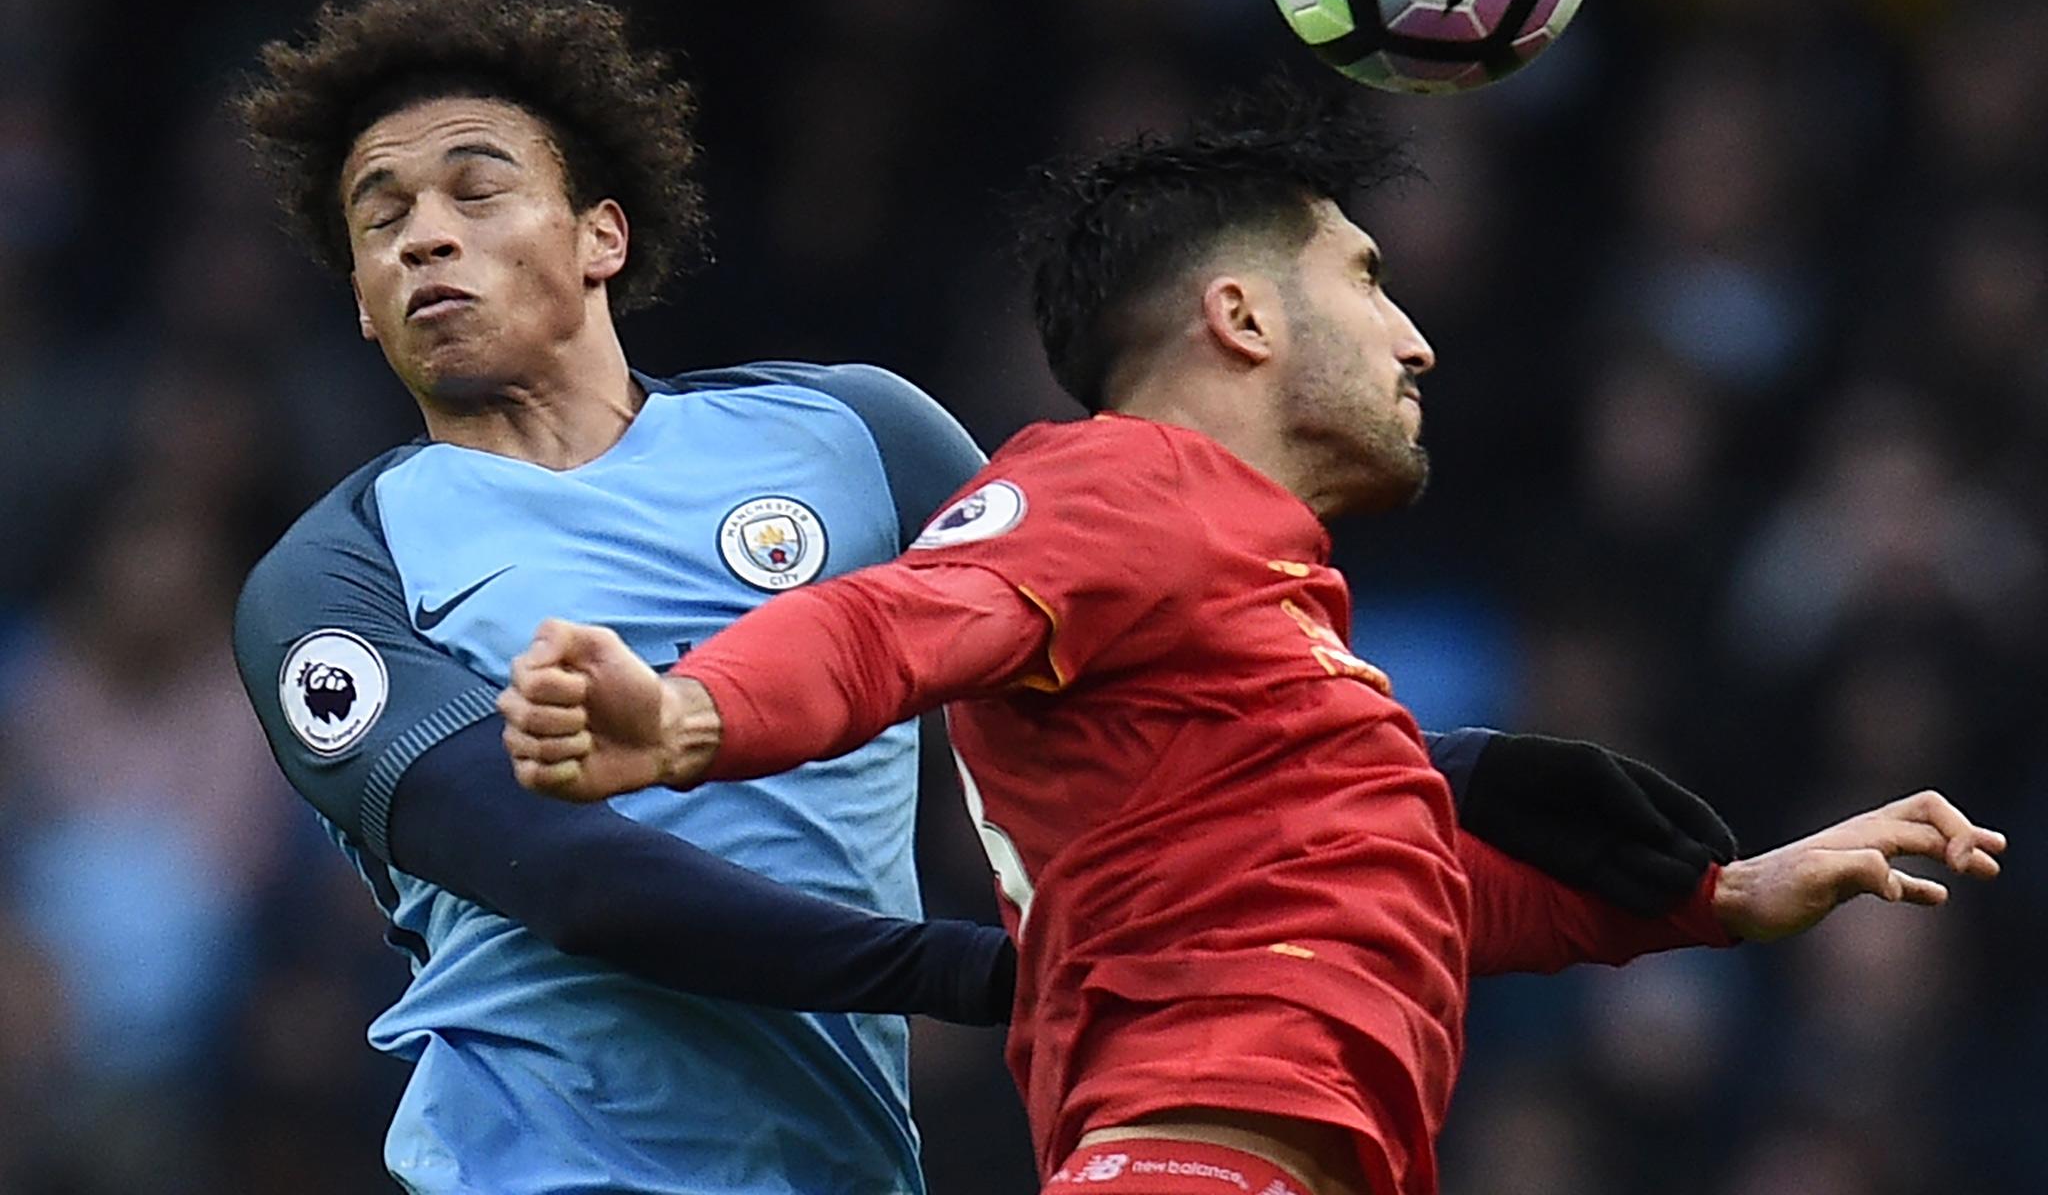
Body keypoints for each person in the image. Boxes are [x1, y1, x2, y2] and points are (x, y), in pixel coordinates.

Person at [230, 0, 1738, 1195]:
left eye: (475, 189)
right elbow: (562, 875)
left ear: (602, 235)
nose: (425, 232)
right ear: (363, 304)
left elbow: (1101, 674)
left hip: (843, 1164)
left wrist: (1431, 773)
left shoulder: (853, 436)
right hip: (543, 1172)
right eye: (380, 217)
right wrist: (989, 975)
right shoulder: (331, 576)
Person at [497, 79, 2007, 1195]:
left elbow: (1386, 869)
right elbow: (897, 619)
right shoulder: (1121, 484)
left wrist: (1720, 896)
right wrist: (688, 719)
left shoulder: (1248, 609)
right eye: (1365, 276)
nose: (1413, 334)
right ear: (1239, 315)